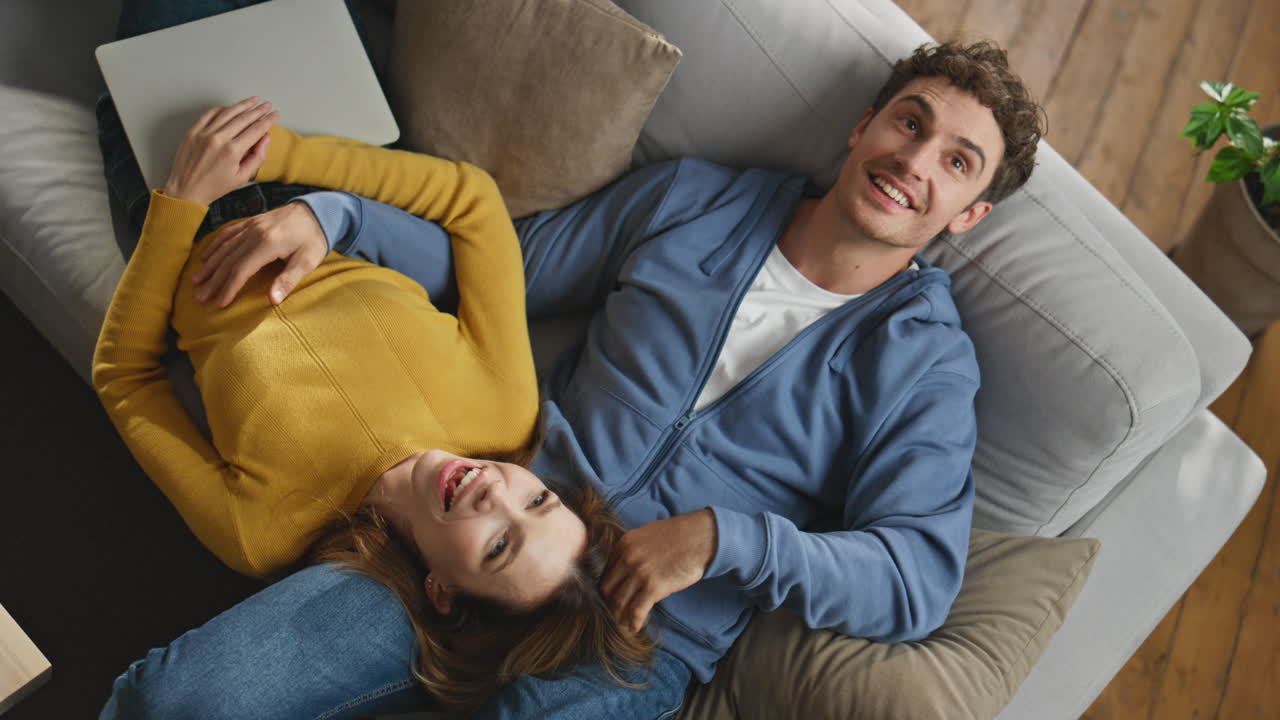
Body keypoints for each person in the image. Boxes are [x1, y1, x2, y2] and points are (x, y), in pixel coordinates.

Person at [100, 31, 1046, 720]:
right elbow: (501, 261)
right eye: (908, 123)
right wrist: (337, 221)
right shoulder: (695, 201)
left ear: (969, 215)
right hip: (486, 543)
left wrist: (726, 540)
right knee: (176, 700)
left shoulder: (923, 364)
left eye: (956, 162)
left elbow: (916, 578)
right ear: (861, 127)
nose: (913, 161)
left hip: (635, 642)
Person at [92, 6, 657, 715]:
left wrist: (182, 202)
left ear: (441, 592)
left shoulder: (262, 532)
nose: (498, 494)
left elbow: (126, 380)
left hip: (175, 191)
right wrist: (288, 161)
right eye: (538, 499)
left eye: (498, 547)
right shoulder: (505, 409)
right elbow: (476, 206)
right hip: (324, 154)